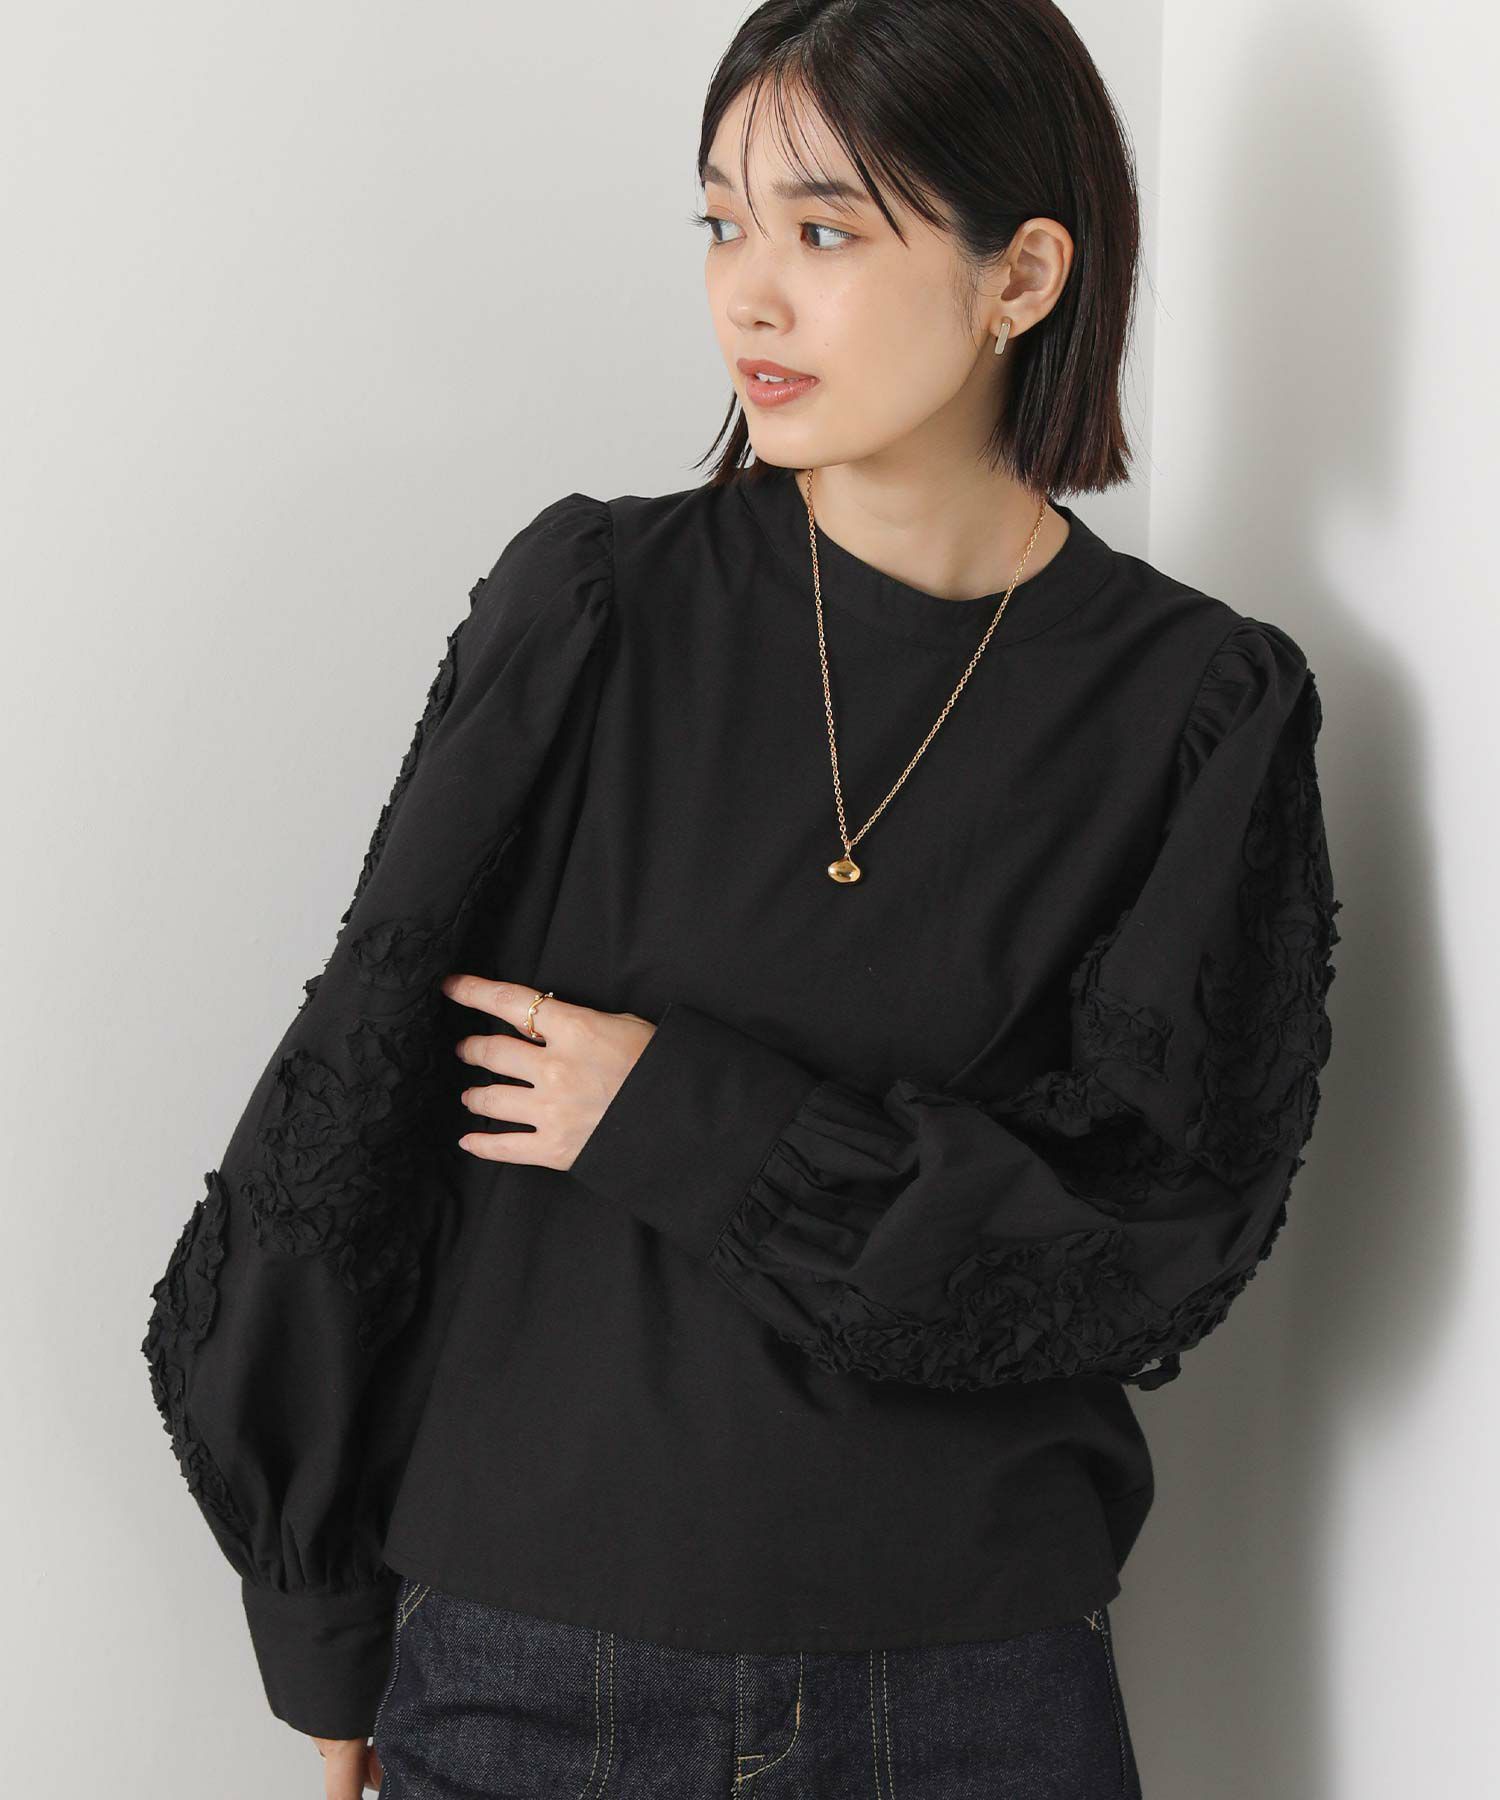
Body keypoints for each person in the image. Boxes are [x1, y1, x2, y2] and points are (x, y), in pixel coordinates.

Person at [141, 3, 1341, 1795]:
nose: (749, 297)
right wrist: (319, 1621)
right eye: (722, 222)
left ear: (1021, 276)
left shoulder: (1197, 709)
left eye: (825, 231)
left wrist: (686, 1120)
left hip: (971, 1691)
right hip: (527, 1668)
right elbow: (356, 1110)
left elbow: (1147, 1236)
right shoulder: (592, 610)